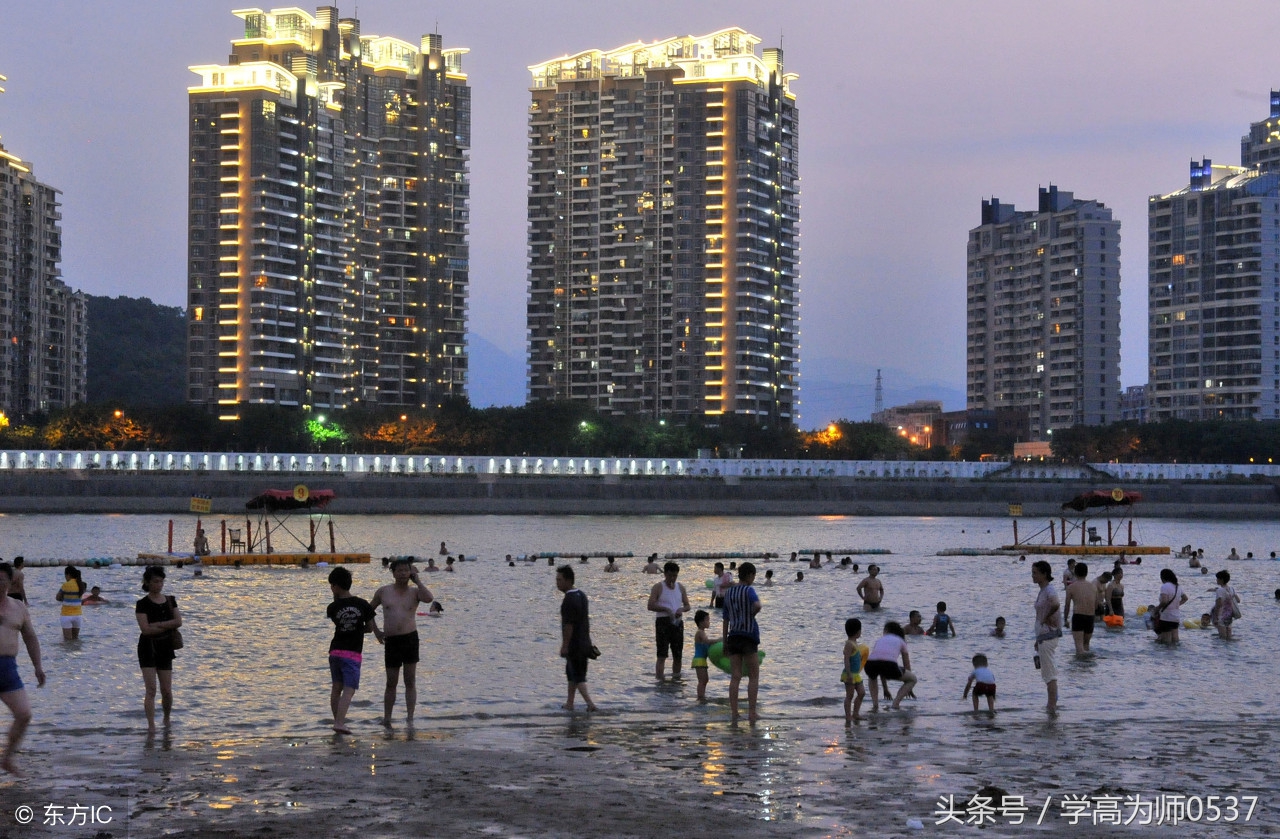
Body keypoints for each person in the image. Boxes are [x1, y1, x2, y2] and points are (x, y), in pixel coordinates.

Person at [370, 558, 434, 726]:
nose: (403, 573)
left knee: (410, 680)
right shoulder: (383, 591)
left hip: (410, 638)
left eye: (406, 570)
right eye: (399, 570)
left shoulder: (415, 592)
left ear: (410, 572)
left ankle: (410, 718)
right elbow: (368, 611)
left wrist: (418, 580)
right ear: (393, 573)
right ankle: (387, 718)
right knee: (391, 682)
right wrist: (376, 631)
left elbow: (429, 598)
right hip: (391, 640)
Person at [0, 563, 43, 775]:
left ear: (10, 582)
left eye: (2, 580)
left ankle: (7, 758)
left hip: (7, 668)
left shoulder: (18, 608)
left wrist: (38, 666)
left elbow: (30, 637)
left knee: (24, 714)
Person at [326, 566, 377, 734]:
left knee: (336, 688)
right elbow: (369, 628)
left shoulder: (332, 607)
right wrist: (358, 628)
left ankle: (338, 722)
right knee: (349, 689)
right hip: (352, 653)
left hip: (335, 651)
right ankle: (339, 723)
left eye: (331, 586)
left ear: (335, 586)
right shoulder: (362, 604)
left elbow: (340, 624)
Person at [136, 566, 182, 732]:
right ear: (148, 582)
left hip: (165, 646)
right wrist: (166, 626)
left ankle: (167, 718)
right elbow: (146, 630)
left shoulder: (170, 600)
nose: (159, 584)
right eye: (155, 581)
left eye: (161, 581)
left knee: (167, 690)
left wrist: (159, 624)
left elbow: (178, 621)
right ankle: (151, 725)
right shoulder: (142, 604)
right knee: (151, 689)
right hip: (147, 647)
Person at [722, 562, 762, 723]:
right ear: (750, 575)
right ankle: (752, 712)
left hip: (733, 636)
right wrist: (752, 614)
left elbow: (725, 619)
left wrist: (724, 641)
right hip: (748, 636)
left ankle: (734, 713)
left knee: (735, 676)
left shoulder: (729, 593)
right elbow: (758, 605)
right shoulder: (749, 590)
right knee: (753, 676)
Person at [556, 565, 596, 712]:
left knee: (578, 676)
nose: (557, 583)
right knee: (571, 674)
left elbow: (569, 625)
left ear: (568, 580)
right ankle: (570, 703)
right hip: (585, 642)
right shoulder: (582, 595)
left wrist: (565, 645)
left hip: (575, 645)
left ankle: (590, 704)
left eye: (559, 580)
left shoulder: (568, 600)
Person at [647, 561, 691, 680]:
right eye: (670, 575)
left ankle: (676, 680)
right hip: (663, 622)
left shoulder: (680, 587)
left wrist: (681, 609)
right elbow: (650, 605)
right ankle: (660, 681)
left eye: (675, 575)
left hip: (677, 622)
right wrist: (666, 609)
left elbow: (688, 605)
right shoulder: (658, 587)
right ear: (665, 574)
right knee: (662, 655)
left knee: (678, 655)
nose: (673, 578)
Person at [864, 621, 916, 712]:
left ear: (887, 631)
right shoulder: (901, 641)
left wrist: (885, 689)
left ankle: (875, 705)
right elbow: (906, 664)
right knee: (913, 679)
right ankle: (895, 704)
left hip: (869, 664)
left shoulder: (880, 640)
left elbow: (880, 666)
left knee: (872, 676)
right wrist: (908, 687)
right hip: (889, 665)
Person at [1031, 560, 1062, 714]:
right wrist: (1037, 640)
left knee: (1049, 674)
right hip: (1044, 637)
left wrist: (1045, 618)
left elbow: (1056, 604)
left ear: (1044, 574)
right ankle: (1051, 704)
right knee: (1047, 672)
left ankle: (1051, 706)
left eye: (1035, 573)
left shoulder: (1049, 590)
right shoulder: (1043, 590)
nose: (1033, 576)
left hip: (1049, 635)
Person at [1063, 562, 1098, 654]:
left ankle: (1079, 667)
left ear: (1075, 573)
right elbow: (1097, 604)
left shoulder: (1071, 587)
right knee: (1086, 645)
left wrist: (1065, 619)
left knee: (1079, 646)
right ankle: (1087, 666)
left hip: (1078, 616)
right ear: (1086, 573)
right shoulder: (1093, 587)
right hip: (1090, 617)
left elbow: (1067, 605)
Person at [841, 618, 868, 722]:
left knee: (861, 693)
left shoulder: (855, 643)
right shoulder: (849, 644)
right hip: (850, 674)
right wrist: (849, 674)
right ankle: (848, 717)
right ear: (857, 631)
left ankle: (855, 713)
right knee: (850, 695)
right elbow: (846, 659)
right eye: (860, 630)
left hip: (856, 674)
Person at [1155, 568, 1188, 645]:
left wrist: (1157, 608)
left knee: (1166, 642)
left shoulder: (1165, 586)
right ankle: (1175, 656)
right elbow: (1185, 598)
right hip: (1176, 617)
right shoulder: (1178, 587)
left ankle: (1167, 657)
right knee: (1175, 640)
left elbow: (1164, 601)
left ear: (1162, 577)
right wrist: (1176, 604)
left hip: (1166, 617)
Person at [56, 566, 86, 641]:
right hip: (78, 615)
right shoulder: (81, 585)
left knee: (67, 641)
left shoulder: (66, 585)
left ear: (68, 575)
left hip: (66, 615)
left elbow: (57, 597)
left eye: (65, 575)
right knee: (75, 639)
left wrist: (64, 599)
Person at [1211, 570, 1241, 641]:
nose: (1216, 580)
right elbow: (1238, 600)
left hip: (1221, 616)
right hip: (1229, 615)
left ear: (1221, 579)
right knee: (1229, 638)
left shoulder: (1220, 590)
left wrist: (1215, 618)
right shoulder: (1231, 589)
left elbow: (1218, 605)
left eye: (1217, 578)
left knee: (1222, 638)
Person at [691, 610, 711, 703]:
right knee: (702, 680)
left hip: (702, 660)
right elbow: (707, 641)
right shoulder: (700, 632)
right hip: (699, 660)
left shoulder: (702, 632)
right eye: (707, 620)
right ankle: (700, 698)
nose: (709, 622)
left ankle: (702, 696)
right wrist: (719, 640)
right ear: (701, 622)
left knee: (705, 680)